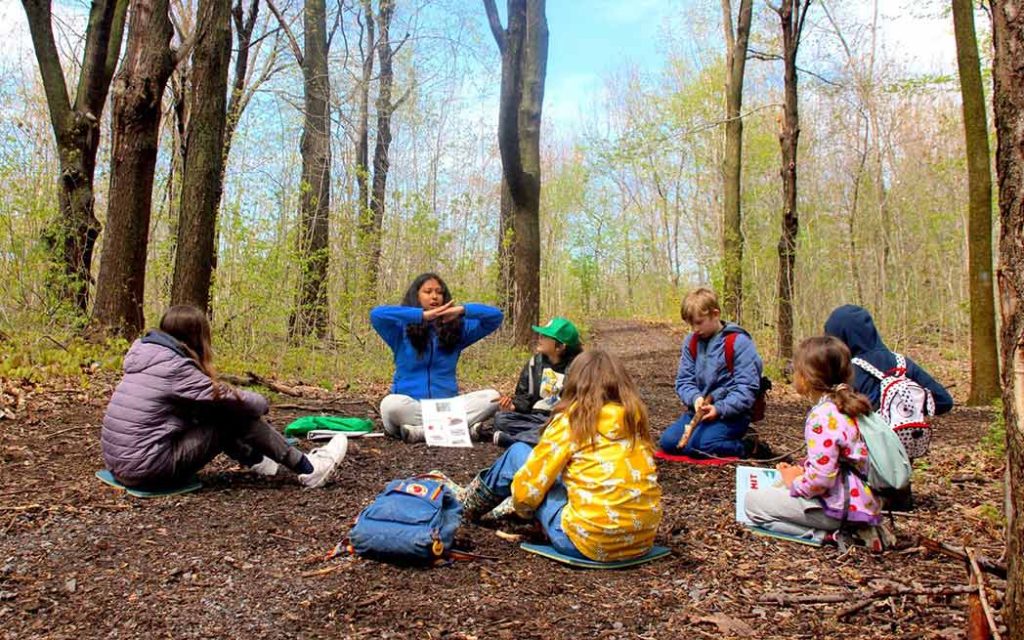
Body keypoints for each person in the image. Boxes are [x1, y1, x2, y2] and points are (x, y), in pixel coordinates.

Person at [101, 305, 347, 489]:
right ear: (197, 338)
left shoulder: (147, 356)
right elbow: (239, 400)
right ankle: (310, 469)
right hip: (147, 470)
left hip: (121, 463)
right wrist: (263, 403)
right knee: (231, 416)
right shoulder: (175, 369)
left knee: (213, 411)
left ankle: (260, 461)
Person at [459, 349, 662, 562]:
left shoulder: (572, 420)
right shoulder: (634, 420)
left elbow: (528, 490)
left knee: (518, 453)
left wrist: (525, 511)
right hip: (642, 540)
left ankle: (467, 507)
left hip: (585, 542)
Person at [744, 336, 886, 548]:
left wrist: (794, 481)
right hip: (859, 501)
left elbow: (820, 481)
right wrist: (802, 469)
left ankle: (829, 536)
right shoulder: (850, 406)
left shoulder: (823, 417)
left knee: (752, 504)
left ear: (807, 378)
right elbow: (838, 461)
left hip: (837, 508)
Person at [370, 272, 503, 443]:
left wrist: (462, 310)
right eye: (428, 292)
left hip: (445, 406)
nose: (434, 296)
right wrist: (421, 315)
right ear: (416, 296)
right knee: (391, 404)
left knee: (492, 397)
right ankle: (457, 429)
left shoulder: (458, 330)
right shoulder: (399, 329)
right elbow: (376, 315)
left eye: (439, 292)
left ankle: (421, 432)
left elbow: (496, 317)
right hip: (412, 407)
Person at [659, 287, 764, 458]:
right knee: (668, 442)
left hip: (731, 414)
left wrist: (719, 409)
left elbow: (746, 388)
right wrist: (695, 398)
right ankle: (710, 436)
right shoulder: (691, 342)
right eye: (690, 324)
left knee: (699, 447)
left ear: (715, 314)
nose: (694, 329)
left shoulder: (739, 342)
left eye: (699, 323)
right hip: (699, 412)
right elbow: (684, 381)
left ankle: (748, 445)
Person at [824, 304, 953, 415]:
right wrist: (906, 411)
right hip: (904, 442)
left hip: (867, 442)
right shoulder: (902, 363)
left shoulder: (848, 371)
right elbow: (944, 401)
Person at [492, 317, 583, 448]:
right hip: (535, 418)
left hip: (561, 420)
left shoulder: (579, 368)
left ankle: (517, 441)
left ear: (560, 347)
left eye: (545, 336)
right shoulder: (534, 364)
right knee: (501, 419)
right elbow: (524, 398)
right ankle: (535, 439)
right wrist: (513, 406)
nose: (540, 339)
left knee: (566, 430)